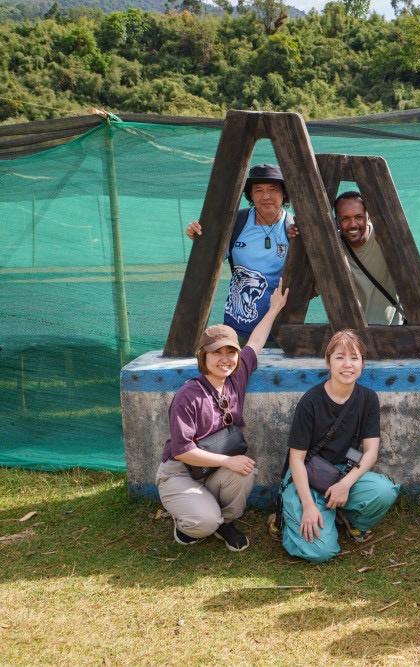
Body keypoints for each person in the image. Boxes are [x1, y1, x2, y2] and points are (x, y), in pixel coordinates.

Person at [156, 279, 289, 551]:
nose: (225, 359)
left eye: (231, 352)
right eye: (217, 353)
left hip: (213, 470)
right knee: (203, 522)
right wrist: (228, 461)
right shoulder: (188, 396)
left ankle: (223, 522)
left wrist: (274, 308)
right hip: (182, 470)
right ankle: (191, 522)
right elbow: (183, 451)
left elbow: (256, 341)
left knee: (244, 473)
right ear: (203, 356)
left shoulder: (236, 377)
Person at [284, 329, 400, 561]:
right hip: (308, 475)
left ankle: (349, 520)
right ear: (328, 362)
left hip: (343, 473)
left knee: (384, 491)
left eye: (354, 358)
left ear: (362, 363)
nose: (347, 365)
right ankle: (290, 519)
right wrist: (308, 506)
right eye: (340, 357)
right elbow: (296, 459)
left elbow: (370, 451)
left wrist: (345, 484)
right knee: (320, 551)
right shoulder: (310, 402)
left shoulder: (368, 399)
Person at [186, 164, 295, 340]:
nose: (266, 196)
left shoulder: (296, 228)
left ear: (284, 193)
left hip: (281, 333)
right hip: (237, 330)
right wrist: (199, 240)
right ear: (250, 194)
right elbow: (211, 260)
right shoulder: (235, 222)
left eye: (272, 189)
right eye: (258, 190)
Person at [334, 191, 403, 325]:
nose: (353, 224)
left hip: (393, 331)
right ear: (337, 221)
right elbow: (311, 290)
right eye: (345, 218)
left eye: (358, 217)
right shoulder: (332, 246)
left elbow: (411, 276)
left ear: (369, 217)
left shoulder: (385, 238)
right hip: (350, 333)